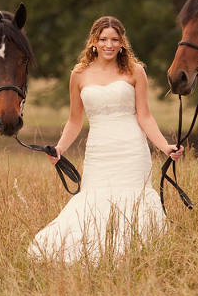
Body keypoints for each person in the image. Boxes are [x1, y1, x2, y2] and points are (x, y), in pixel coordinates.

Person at [27, 16, 184, 262]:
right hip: (99, 151)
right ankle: (93, 256)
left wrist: (165, 147)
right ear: (93, 42)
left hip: (131, 150)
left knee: (134, 200)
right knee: (94, 199)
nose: (108, 44)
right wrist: (59, 148)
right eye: (103, 39)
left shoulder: (135, 71)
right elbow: (75, 121)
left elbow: (145, 117)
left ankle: (135, 258)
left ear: (122, 43)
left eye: (114, 39)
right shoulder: (78, 75)